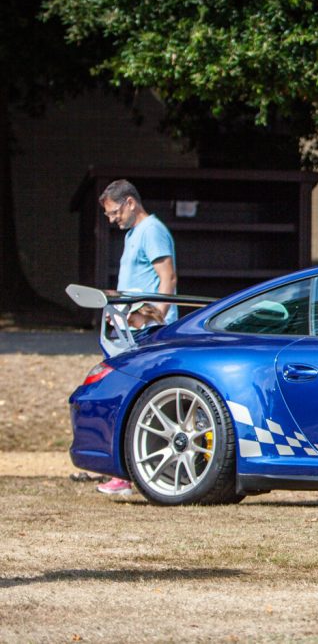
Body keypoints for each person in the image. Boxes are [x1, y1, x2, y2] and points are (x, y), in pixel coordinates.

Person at [95, 179, 178, 496]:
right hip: (131, 328)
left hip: (149, 332)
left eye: (115, 212)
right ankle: (125, 472)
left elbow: (167, 278)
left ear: (130, 203)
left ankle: (128, 475)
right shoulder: (133, 235)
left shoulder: (152, 230)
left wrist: (152, 316)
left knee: (135, 399)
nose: (112, 219)